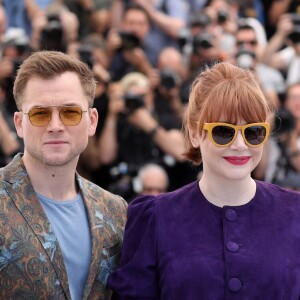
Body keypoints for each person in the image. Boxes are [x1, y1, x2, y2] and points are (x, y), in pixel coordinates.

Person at [108, 61, 300, 299]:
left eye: (253, 132)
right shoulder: (155, 218)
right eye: (223, 131)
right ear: (195, 133)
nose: (240, 145)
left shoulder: (295, 212)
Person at [0, 51, 127, 299]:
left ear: (91, 121)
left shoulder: (115, 210)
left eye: (70, 113)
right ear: (18, 124)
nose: (56, 126)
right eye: (40, 114)